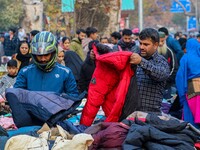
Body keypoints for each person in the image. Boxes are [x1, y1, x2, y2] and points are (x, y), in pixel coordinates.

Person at [6, 31, 80, 127]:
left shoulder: (65, 72)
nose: (43, 59)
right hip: (30, 122)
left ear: (53, 53)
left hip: (56, 122)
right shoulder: (25, 72)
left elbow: (72, 98)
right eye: (39, 55)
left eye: (46, 55)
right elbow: (18, 97)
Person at [129, 28, 170, 113]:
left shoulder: (161, 61)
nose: (141, 47)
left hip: (150, 114)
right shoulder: (134, 58)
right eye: (140, 43)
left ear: (155, 45)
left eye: (146, 44)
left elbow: (160, 74)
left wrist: (141, 62)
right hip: (130, 112)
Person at [176, 38, 200, 128]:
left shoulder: (186, 58)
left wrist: (181, 94)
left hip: (192, 89)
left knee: (190, 115)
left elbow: (180, 77)